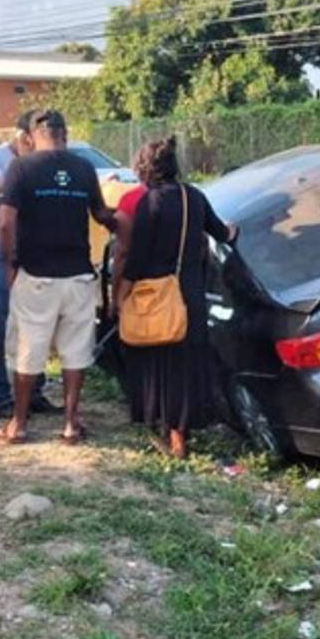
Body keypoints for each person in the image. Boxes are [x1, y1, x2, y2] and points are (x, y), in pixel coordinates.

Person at [0, 109, 116, 444]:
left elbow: (5, 222)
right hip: (78, 274)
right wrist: (126, 221)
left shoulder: (21, 167)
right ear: (66, 133)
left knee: (27, 349)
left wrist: (9, 263)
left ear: (32, 136)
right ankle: (71, 423)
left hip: (36, 274)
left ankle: (18, 424)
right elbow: (102, 213)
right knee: (76, 351)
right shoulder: (84, 168)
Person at [112, 137, 236, 459]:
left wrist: (121, 296)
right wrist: (234, 232)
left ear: (145, 169)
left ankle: (168, 430)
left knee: (156, 362)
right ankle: (183, 429)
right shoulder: (193, 196)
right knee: (185, 363)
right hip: (189, 294)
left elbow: (135, 258)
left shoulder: (149, 203)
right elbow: (222, 233)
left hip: (156, 295)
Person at [0, 111, 59, 419]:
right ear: (25, 137)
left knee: (34, 324)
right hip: (0, 250)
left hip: (32, 248)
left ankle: (34, 391)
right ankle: (0, 394)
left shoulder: (38, 162)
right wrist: (23, 171)